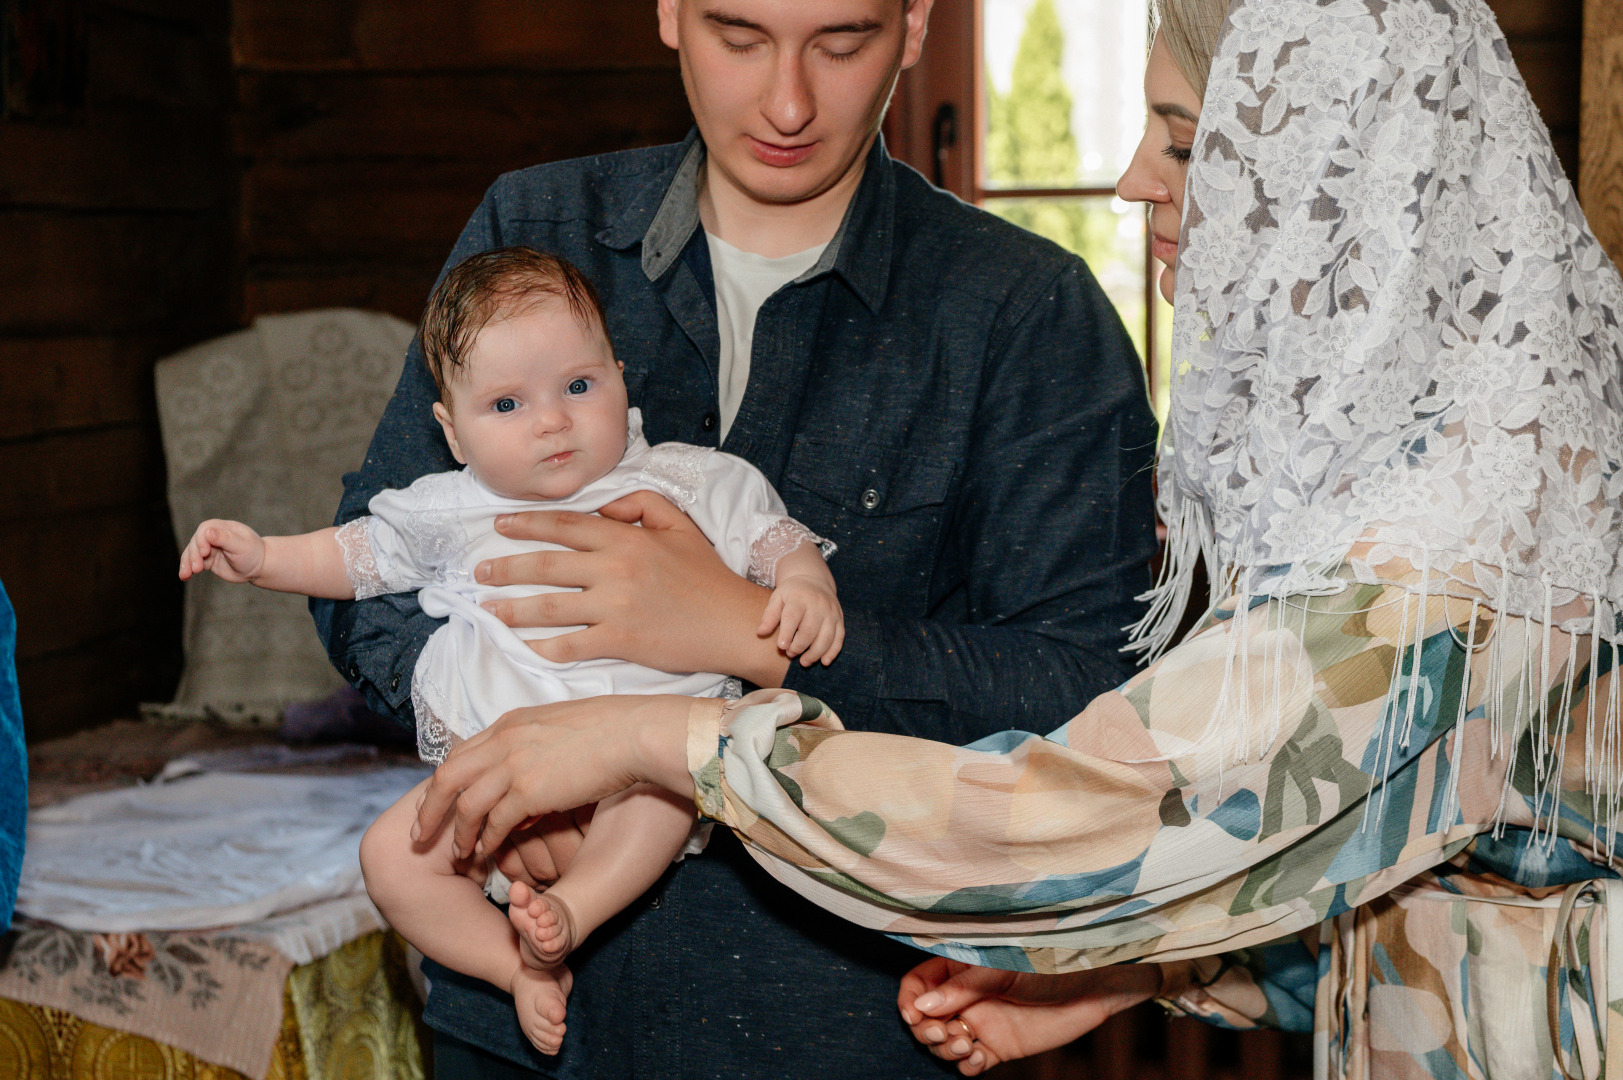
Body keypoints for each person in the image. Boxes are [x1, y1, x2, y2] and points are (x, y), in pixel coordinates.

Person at [409, 0, 1623, 1077]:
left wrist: (664, 735)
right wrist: (1136, 974)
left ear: (1342, 186)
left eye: (1192, 143)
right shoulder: (1448, 473)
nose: (1137, 178)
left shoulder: (1460, 543)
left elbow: (1103, 808)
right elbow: (1400, 875)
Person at [313, 0, 1159, 1074]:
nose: (789, 102)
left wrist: (747, 638)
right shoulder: (533, 225)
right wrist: (508, 738)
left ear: (914, 23)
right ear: (669, 11)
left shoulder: (1028, 310)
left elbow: (1086, 703)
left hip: (842, 1034)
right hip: (519, 1042)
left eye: (842, 43)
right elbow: (368, 564)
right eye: (739, 35)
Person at [181, 246, 843, 1055]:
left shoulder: (681, 479)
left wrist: (804, 581)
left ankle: (575, 909)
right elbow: (354, 561)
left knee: (664, 797)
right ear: (451, 432)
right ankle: (516, 967)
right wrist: (264, 558)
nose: (551, 420)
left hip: (642, 753)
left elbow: (769, 534)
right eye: (506, 404)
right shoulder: (449, 508)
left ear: (619, 378)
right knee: (388, 857)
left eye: (577, 385)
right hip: (493, 772)